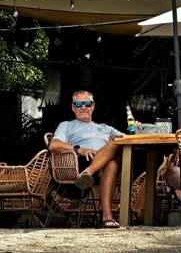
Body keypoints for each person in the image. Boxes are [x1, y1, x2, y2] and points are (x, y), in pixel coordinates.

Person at [48, 90, 124, 228]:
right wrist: (79, 149)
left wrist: (136, 128)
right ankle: (107, 216)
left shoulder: (105, 128)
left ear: (93, 106)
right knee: (113, 155)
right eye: (79, 104)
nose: (83, 107)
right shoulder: (67, 125)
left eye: (87, 103)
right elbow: (53, 145)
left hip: (100, 167)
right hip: (80, 162)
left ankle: (89, 173)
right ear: (73, 107)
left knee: (114, 148)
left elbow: (127, 139)